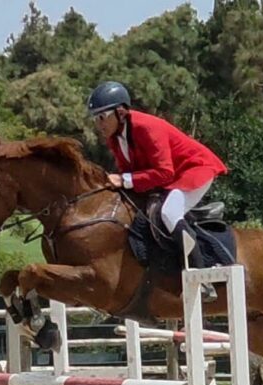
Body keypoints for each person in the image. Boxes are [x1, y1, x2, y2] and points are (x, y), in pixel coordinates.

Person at [87, 81, 227, 299]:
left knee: (169, 212)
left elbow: (164, 172)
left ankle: (202, 277)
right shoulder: (115, 138)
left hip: (194, 169)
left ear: (120, 112)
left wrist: (124, 180)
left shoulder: (147, 127)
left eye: (102, 117)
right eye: (95, 118)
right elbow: (129, 171)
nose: (98, 124)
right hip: (169, 177)